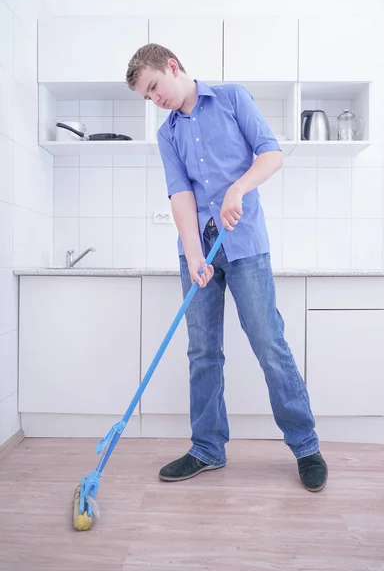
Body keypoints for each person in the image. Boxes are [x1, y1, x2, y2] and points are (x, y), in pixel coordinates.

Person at [126, 43, 328, 492]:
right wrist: (194, 256)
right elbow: (181, 196)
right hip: (199, 252)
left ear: (172, 67)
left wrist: (238, 189)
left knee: (268, 344)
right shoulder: (168, 134)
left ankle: (306, 445)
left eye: (154, 87)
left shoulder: (233, 98)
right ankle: (207, 448)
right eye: (146, 96)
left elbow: (271, 154)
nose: (154, 99)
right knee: (202, 352)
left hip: (246, 246)